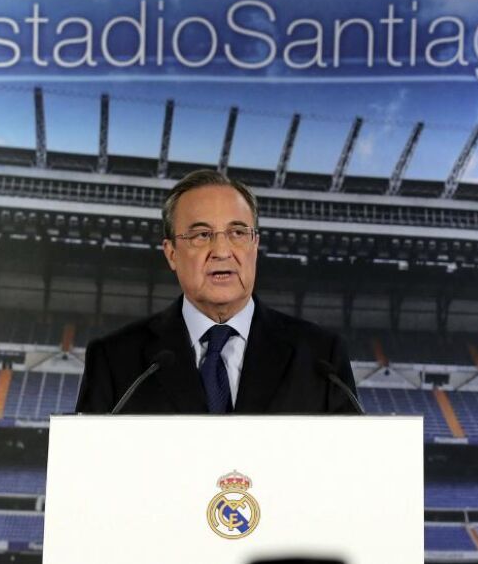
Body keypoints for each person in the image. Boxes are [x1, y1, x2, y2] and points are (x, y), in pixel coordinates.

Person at [75, 169, 359, 414]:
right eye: (202, 235)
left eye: (238, 233)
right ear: (171, 253)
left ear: (255, 246)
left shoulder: (322, 358)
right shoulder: (113, 360)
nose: (222, 251)